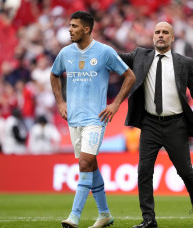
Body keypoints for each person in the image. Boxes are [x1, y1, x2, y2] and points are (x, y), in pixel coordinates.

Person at [119, 22, 193, 228]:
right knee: (144, 171)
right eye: (157, 32)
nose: (161, 35)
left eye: (165, 32)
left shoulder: (184, 62)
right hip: (150, 124)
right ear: (153, 36)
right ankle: (149, 219)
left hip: (176, 125)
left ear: (172, 38)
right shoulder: (140, 55)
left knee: (186, 172)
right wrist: (93, 45)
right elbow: (115, 57)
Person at [50, 11, 136, 228]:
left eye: (74, 26)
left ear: (87, 29)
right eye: (70, 25)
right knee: (90, 165)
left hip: (96, 119)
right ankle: (105, 214)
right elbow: (54, 74)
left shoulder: (104, 52)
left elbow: (130, 76)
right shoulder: (65, 53)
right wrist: (60, 102)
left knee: (85, 163)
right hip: (74, 119)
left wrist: (115, 104)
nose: (70, 29)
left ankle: (74, 216)